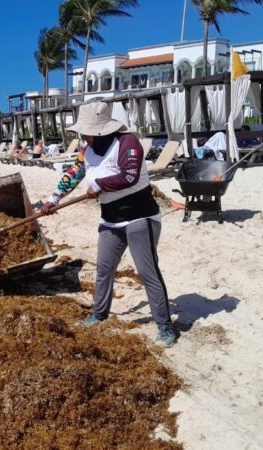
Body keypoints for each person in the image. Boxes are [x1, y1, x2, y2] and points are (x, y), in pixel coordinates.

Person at [40, 101, 177, 347]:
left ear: (101, 129)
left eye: (87, 131)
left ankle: (166, 326)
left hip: (139, 217)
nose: (83, 135)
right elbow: (74, 173)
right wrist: (53, 199)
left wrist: (100, 185)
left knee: (148, 272)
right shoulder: (86, 150)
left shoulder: (128, 142)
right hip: (110, 220)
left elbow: (129, 175)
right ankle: (99, 314)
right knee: (104, 270)